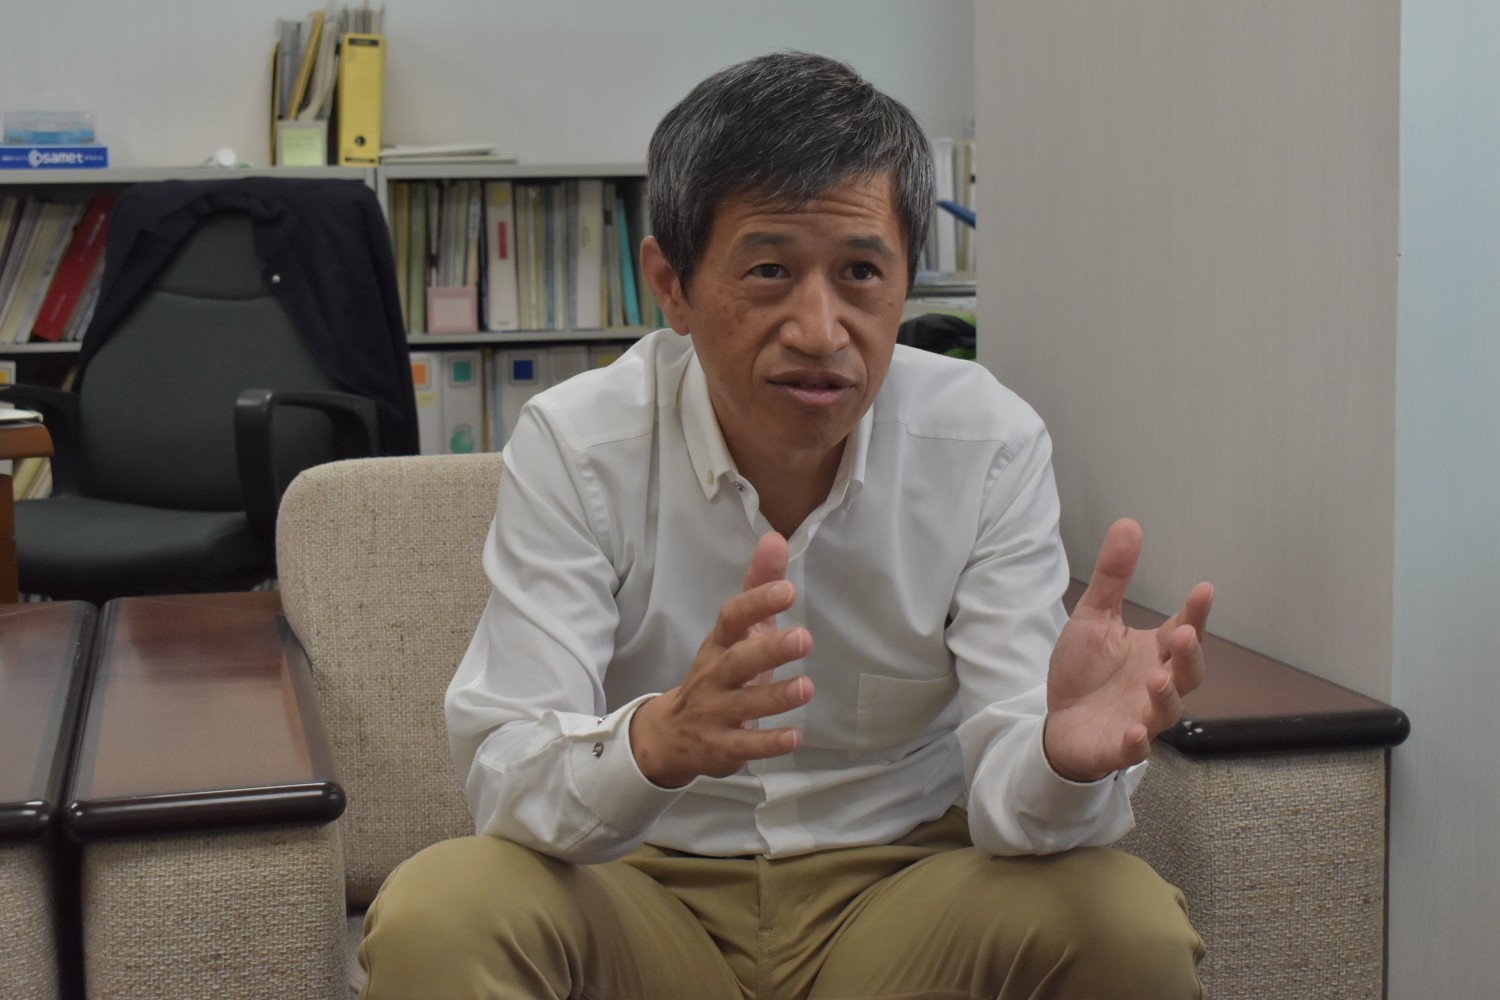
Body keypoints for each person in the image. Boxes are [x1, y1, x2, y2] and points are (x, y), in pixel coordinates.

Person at [360, 51, 1214, 999]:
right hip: (643, 884)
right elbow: (507, 771)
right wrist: (656, 740)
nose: (820, 329)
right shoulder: (580, 444)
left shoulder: (987, 444)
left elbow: (1015, 807)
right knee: (442, 911)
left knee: (1126, 923)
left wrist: (1058, 754)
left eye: (860, 273)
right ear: (671, 284)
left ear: (907, 282)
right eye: (769, 270)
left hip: (905, 894)